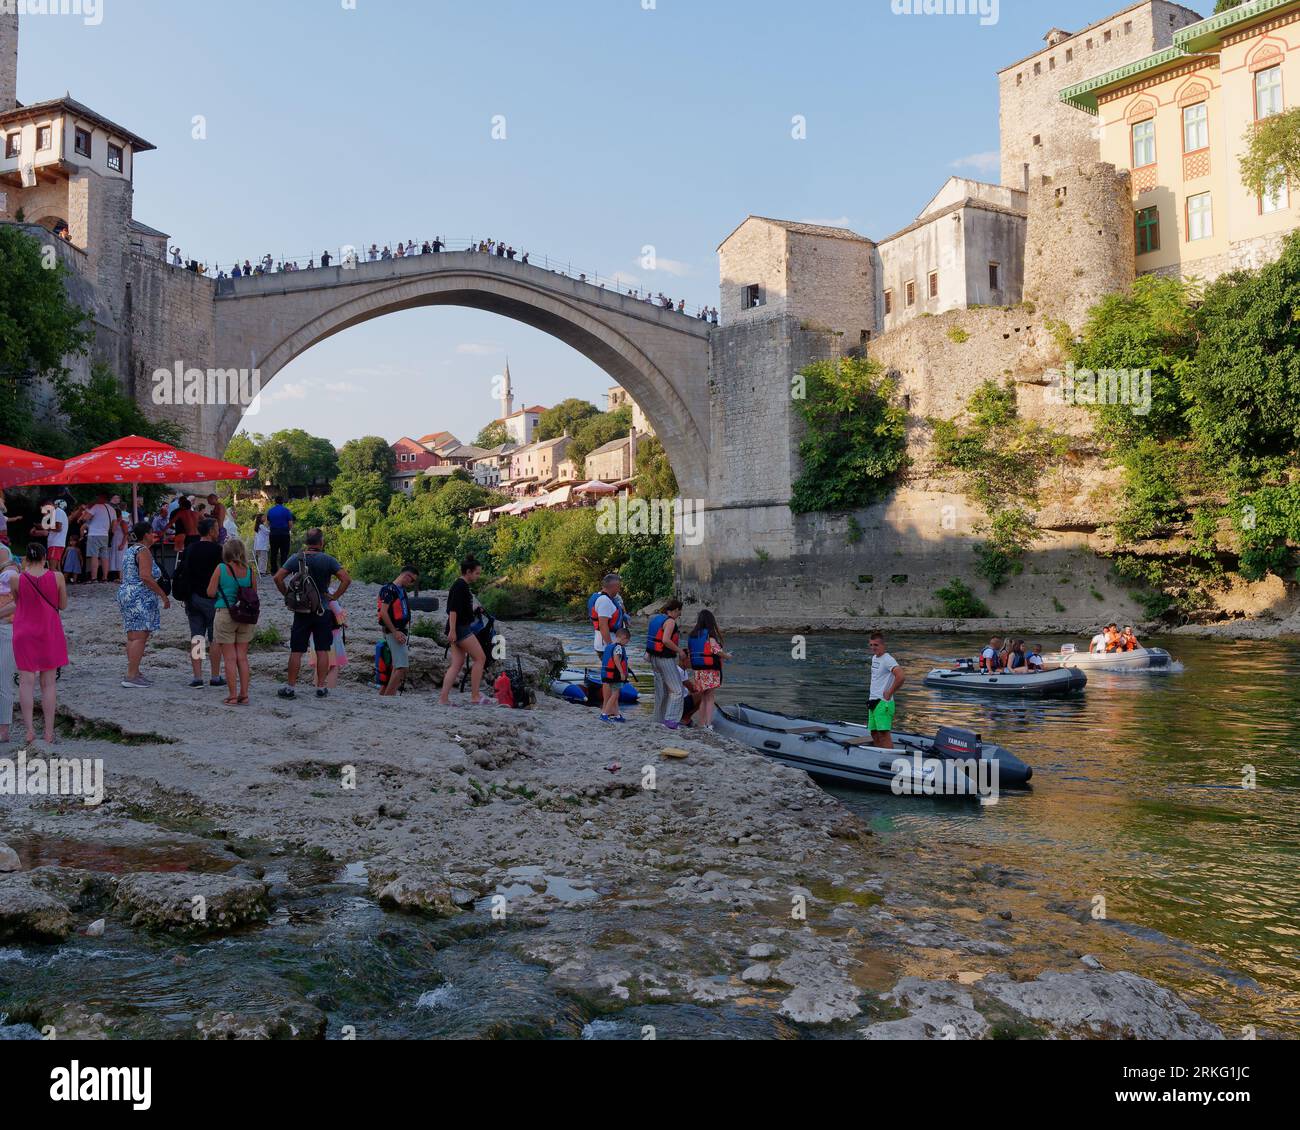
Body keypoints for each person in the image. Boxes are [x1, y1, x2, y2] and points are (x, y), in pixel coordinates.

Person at [273, 528, 351, 700]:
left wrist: (287, 595)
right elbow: (346, 579)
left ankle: (290, 687)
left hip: (302, 611)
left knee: (296, 650)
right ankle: (321, 687)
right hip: (323, 611)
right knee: (323, 650)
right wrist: (334, 597)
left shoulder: (296, 558)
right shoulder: (328, 560)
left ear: (306, 542)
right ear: (321, 542)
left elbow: (277, 578)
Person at [12, 542, 68, 745]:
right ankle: (49, 732)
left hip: (23, 632)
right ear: (45, 557)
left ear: (26, 559)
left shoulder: (16, 578)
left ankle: (29, 731)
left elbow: (19, 603)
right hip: (48, 631)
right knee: (49, 683)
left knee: (26, 682)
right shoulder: (57, 577)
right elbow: (62, 605)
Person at [118, 521, 171, 689]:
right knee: (140, 637)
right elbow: (146, 577)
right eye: (151, 532)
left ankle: (134, 671)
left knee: (133, 636)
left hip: (127, 593)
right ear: (146, 534)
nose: (153, 535)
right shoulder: (144, 551)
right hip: (139, 596)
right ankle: (131, 675)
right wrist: (163, 595)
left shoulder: (130, 550)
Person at [208, 537, 257, 706]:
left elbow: (210, 592)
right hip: (245, 615)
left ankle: (232, 695)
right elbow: (253, 594)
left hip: (225, 613)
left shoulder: (221, 568)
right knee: (242, 658)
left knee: (229, 658)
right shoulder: (250, 571)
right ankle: (244, 694)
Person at [182, 518, 226, 690]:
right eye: (216, 528)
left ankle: (197, 676)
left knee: (197, 638)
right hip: (213, 597)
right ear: (210, 531)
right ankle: (215, 676)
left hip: (192, 597)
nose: (218, 531)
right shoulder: (218, 550)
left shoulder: (190, 548)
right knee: (215, 638)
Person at [439, 555, 487, 706]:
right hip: (460, 629)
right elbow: (453, 610)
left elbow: (460, 608)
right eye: (477, 573)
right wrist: (452, 631)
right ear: (468, 571)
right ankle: (475, 696)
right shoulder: (460, 586)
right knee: (480, 658)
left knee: (457, 663)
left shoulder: (461, 585)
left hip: (458, 628)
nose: (478, 576)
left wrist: (473, 609)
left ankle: (443, 699)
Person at [377, 564, 419, 697]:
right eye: (412, 580)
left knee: (396, 666)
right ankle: (389, 698)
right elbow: (383, 613)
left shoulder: (400, 590)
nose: (412, 583)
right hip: (394, 632)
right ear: (406, 576)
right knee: (402, 668)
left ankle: (386, 695)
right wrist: (394, 631)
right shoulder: (389, 589)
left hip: (399, 631)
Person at [685, 610, 731, 730]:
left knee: (703, 697)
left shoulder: (693, 635)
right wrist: (727, 656)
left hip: (698, 671)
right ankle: (708, 724)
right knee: (710, 697)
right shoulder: (710, 636)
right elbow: (717, 651)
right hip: (710, 670)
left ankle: (701, 723)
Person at [645, 598, 684, 729]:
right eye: (679, 611)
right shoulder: (670, 622)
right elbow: (666, 640)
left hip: (654, 658)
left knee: (661, 690)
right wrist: (680, 651)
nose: (680, 614)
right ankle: (671, 721)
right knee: (677, 690)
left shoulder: (656, 618)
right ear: (675, 610)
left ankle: (658, 720)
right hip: (665, 659)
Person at [866, 631, 905, 749]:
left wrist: (890, 692)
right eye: (871, 645)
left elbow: (901, 676)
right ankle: (879, 756)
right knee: (874, 733)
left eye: (876, 645)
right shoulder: (874, 658)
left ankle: (889, 761)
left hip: (883, 703)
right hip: (873, 701)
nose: (873, 648)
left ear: (883, 645)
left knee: (883, 734)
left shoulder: (888, 659)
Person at [0, 545, 19, 744]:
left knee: (3, 680)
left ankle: (3, 730)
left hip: (5, 627)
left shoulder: (9, 572)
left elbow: (18, 601)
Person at [589, 573, 627, 670]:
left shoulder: (609, 599)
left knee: (614, 673)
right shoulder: (604, 601)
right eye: (618, 587)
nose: (619, 590)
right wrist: (611, 647)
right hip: (605, 645)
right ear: (613, 587)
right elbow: (603, 626)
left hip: (609, 644)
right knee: (613, 674)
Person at [600, 625, 632, 723]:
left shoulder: (609, 646)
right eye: (627, 640)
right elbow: (616, 659)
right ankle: (604, 714)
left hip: (607, 675)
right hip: (615, 675)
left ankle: (617, 715)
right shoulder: (618, 647)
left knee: (615, 695)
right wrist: (622, 672)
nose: (627, 643)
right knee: (615, 695)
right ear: (623, 638)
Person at [80, 492, 116, 582]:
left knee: (94, 556)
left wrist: (87, 510)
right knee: (104, 556)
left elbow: (85, 518)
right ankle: (105, 577)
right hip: (105, 535)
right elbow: (114, 525)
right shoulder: (112, 509)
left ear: (100, 498)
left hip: (94, 534)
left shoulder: (95, 507)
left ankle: (94, 577)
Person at [266, 497, 295, 574]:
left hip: (273, 534)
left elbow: (268, 523)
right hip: (284, 533)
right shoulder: (286, 511)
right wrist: (288, 530)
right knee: (284, 553)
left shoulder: (270, 511)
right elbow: (290, 523)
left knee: (273, 552)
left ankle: (273, 570)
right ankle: (283, 570)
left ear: (275, 502)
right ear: (282, 502)